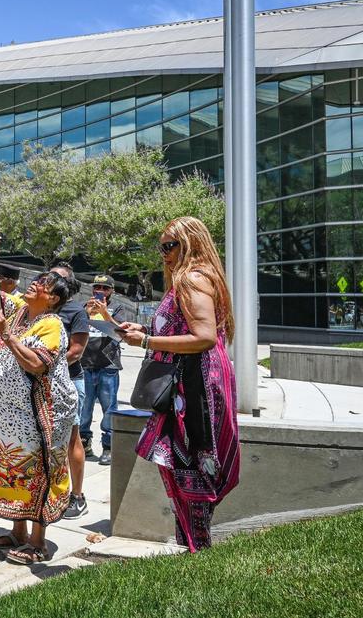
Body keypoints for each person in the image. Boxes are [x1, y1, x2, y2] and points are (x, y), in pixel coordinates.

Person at [119, 216, 240, 552]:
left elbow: (201, 337)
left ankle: (198, 546)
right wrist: (147, 332)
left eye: (169, 246)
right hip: (194, 380)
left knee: (193, 461)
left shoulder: (192, 279)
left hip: (194, 383)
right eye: (161, 247)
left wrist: (146, 342)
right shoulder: (195, 279)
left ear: (190, 243)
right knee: (188, 459)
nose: (164, 254)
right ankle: (192, 544)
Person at [0, 229, 77, 565]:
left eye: (44, 284)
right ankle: (17, 533)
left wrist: (7, 336)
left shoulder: (51, 325)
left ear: (52, 299)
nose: (35, 283)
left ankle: (38, 541)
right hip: (4, 415)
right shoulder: (18, 309)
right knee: (12, 471)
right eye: (37, 279)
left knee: (36, 473)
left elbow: (36, 365)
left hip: (37, 417)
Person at [48, 262, 91, 519]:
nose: (51, 280)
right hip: (40, 384)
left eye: (57, 278)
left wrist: (44, 365)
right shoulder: (40, 310)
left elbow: (76, 351)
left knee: (72, 438)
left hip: (69, 382)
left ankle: (77, 496)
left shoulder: (76, 311)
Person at [81, 275, 126, 466]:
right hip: (86, 364)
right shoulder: (85, 307)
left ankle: (108, 446)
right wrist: (85, 313)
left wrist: (105, 313)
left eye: (105, 288)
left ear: (111, 291)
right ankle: (84, 443)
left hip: (108, 364)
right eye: (97, 287)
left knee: (109, 408)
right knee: (84, 408)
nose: (100, 291)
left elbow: (122, 333)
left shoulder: (118, 308)